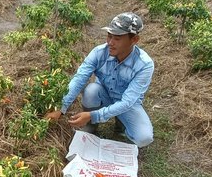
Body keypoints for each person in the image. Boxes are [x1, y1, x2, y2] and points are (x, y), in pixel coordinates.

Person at [45, 12, 154, 148]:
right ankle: (92, 126)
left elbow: (127, 102)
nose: (110, 43)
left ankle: (121, 125)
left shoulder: (144, 64)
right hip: (104, 94)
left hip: (127, 104)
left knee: (144, 138)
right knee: (91, 90)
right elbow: (79, 78)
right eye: (109, 36)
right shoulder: (99, 53)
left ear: (134, 40)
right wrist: (61, 108)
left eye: (117, 38)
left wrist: (93, 114)